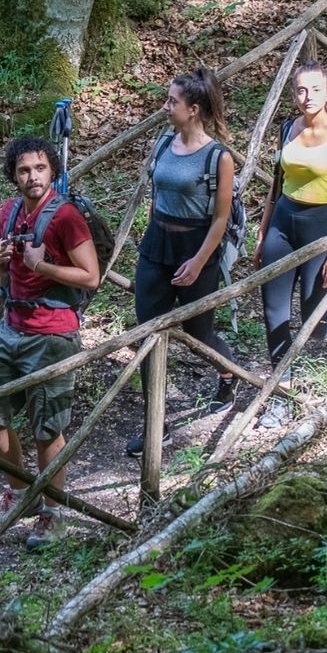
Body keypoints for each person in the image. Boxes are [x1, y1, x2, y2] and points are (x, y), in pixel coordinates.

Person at [0, 135, 102, 549]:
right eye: (24, 170)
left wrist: (42, 265)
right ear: (14, 175)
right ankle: (21, 492)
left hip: (52, 332)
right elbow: (5, 274)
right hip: (10, 326)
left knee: (47, 428)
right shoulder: (9, 212)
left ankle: (53, 511)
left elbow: (91, 276)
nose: (33, 177)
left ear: (52, 171)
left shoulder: (65, 218)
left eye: (40, 168)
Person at [126, 68, 240, 457]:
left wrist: (197, 262)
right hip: (157, 246)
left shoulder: (218, 157)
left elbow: (221, 219)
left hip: (197, 250)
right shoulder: (163, 143)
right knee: (148, 335)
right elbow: (156, 195)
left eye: (172, 101)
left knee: (197, 335)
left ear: (193, 110)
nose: (165, 106)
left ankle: (229, 375)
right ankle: (157, 426)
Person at [252, 60, 327, 385]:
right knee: (274, 312)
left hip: (322, 227)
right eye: (301, 89)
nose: (307, 96)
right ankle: (282, 390)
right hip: (283, 223)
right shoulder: (288, 129)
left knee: (314, 323)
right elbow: (277, 183)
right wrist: (262, 232)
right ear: (294, 95)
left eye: (315, 89)